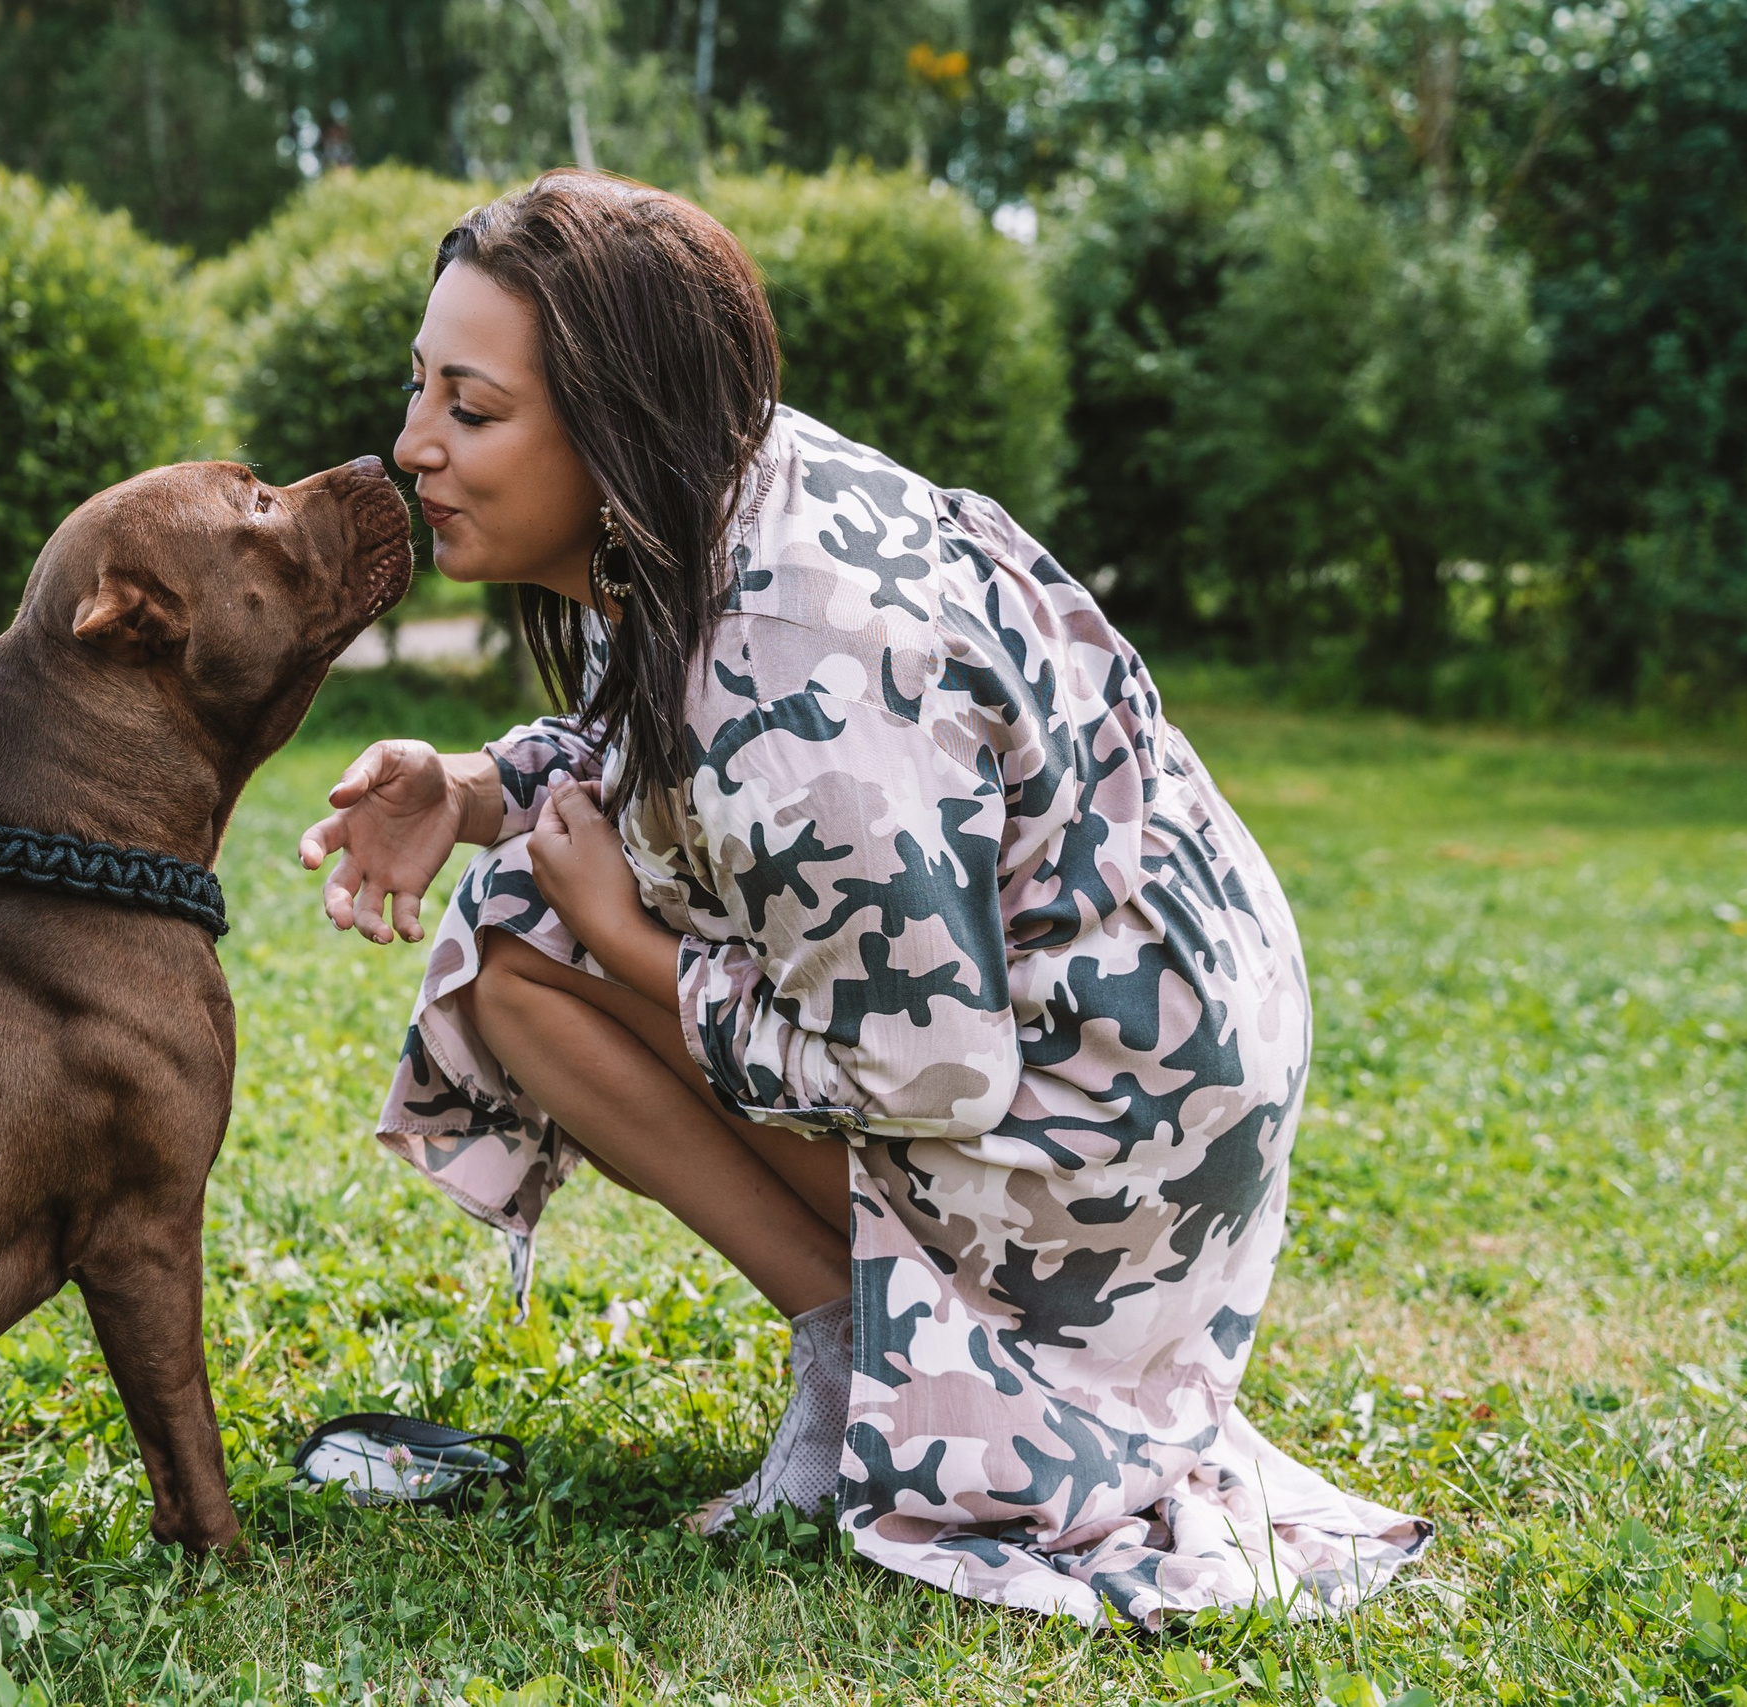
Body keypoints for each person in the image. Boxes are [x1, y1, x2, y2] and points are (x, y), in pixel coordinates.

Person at [296, 169, 1429, 1628]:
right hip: (1136, 1060)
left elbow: (935, 1073)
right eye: (423, 390)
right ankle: (869, 1348)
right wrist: (467, 793)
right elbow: (660, 760)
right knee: (523, 915)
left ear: (617, 419)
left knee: (538, 940)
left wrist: (633, 945)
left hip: (1110, 1147)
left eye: (471, 408)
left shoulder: (801, 639)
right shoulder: (707, 508)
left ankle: (896, 1378)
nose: (412, 445)